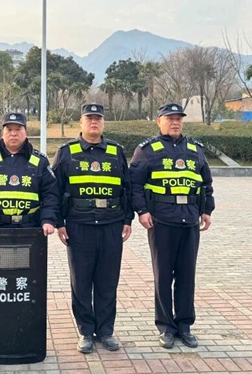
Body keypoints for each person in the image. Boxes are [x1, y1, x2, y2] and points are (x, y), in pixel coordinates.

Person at [129, 103, 215, 349]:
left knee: (187, 276)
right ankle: (166, 326)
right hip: (161, 220)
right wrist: (142, 211)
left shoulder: (195, 149)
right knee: (163, 275)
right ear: (159, 121)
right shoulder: (147, 150)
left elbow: (205, 183)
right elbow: (134, 184)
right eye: (170, 118)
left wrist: (207, 210)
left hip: (189, 219)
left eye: (178, 119)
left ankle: (185, 325)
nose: (175, 122)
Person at [51, 103, 133, 354]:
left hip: (111, 224)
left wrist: (127, 219)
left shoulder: (116, 151)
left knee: (108, 281)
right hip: (79, 225)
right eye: (89, 118)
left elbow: (127, 187)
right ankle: (86, 331)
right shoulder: (66, 152)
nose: (94, 122)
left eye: (98, 118)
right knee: (82, 281)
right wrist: (59, 222)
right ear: (81, 122)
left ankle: (106, 330)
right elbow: (54, 190)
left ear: (103, 123)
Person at [0, 112, 58, 235]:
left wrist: (48, 219)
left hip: (31, 229)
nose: (13, 134)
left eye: (18, 129)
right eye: (9, 129)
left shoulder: (39, 161)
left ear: (26, 132)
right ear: (2, 133)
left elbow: (50, 194)